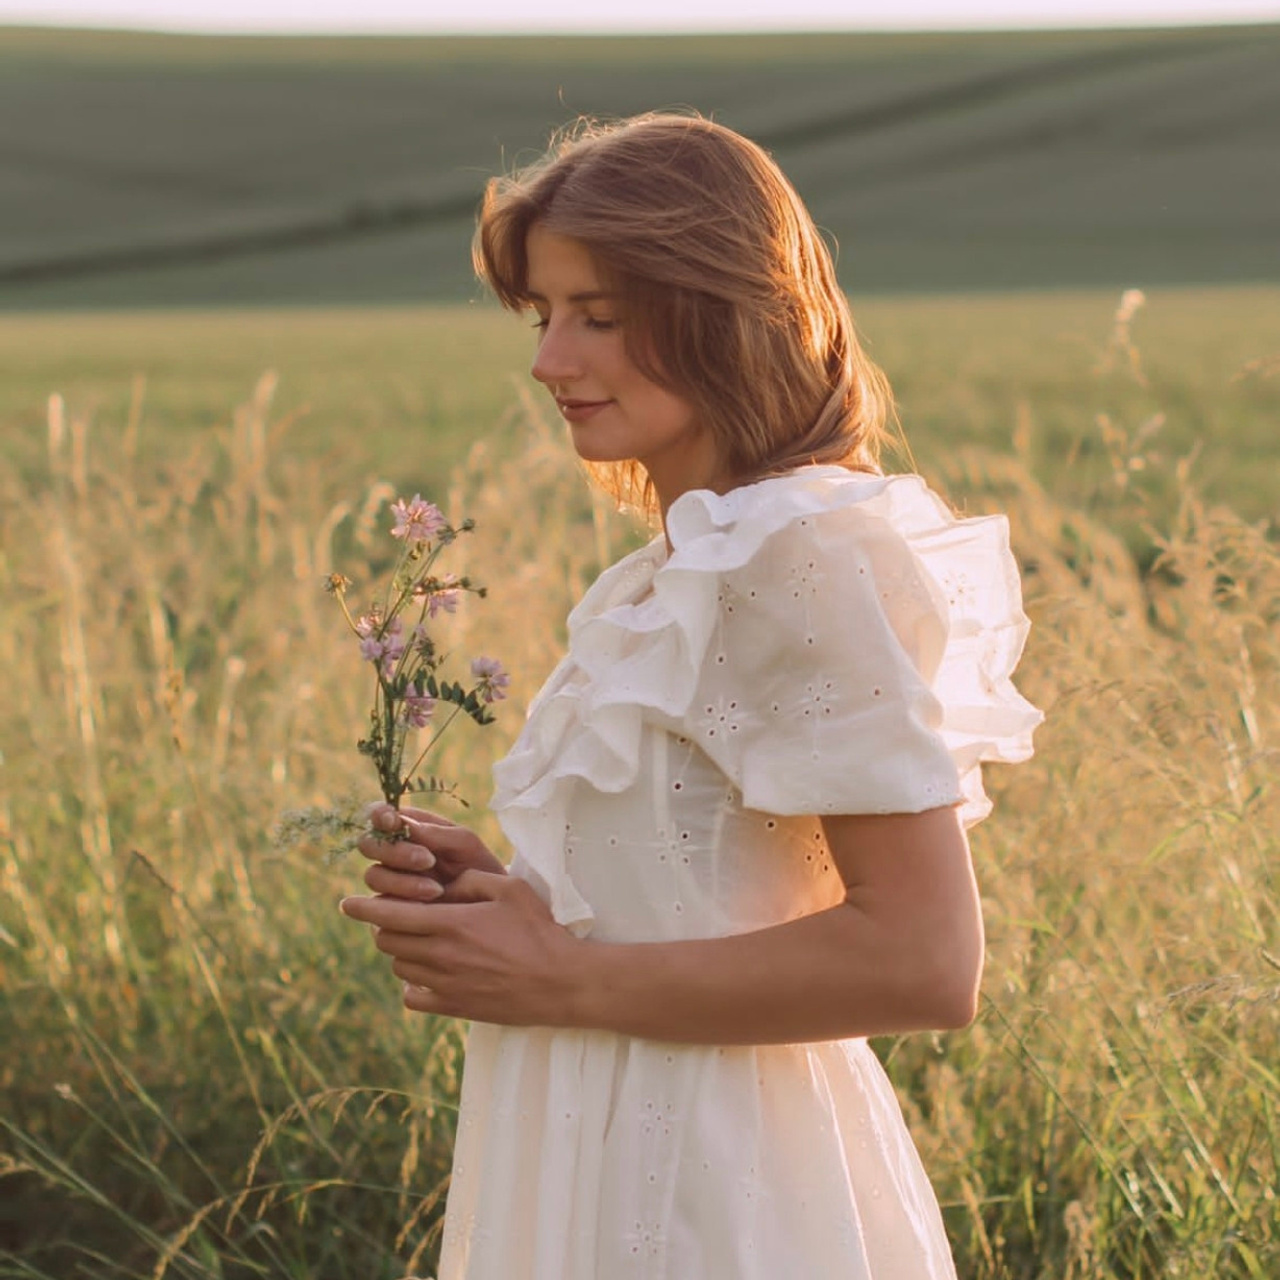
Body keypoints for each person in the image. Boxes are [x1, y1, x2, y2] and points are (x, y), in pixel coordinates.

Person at [339, 113, 1042, 1279]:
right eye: (544, 316)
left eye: (599, 318)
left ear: (724, 311)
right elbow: (704, 889)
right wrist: (515, 900)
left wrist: (562, 976)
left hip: (718, 1193)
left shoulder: (796, 556)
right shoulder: (668, 570)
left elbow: (924, 957)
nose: (549, 362)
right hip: (601, 1142)